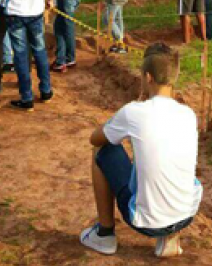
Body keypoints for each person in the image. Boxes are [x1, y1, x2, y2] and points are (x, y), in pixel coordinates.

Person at [80, 42, 202, 258]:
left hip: (147, 223)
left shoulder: (134, 112)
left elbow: (95, 138)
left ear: (148, 77)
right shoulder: (189, 114)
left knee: (101, 150)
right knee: (173, 162)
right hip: (186, 214)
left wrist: (125, 115)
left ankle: (105, 234)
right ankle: (171, 236)